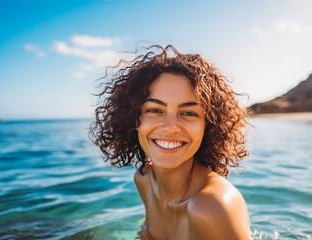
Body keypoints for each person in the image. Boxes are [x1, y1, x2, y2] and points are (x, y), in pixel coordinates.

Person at [90, 45, 251, 240]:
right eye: (155, 110)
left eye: (189, 113)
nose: (170, 127)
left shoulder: (211, 206)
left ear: (208, 127)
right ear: (134, 119)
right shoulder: (144, 180)